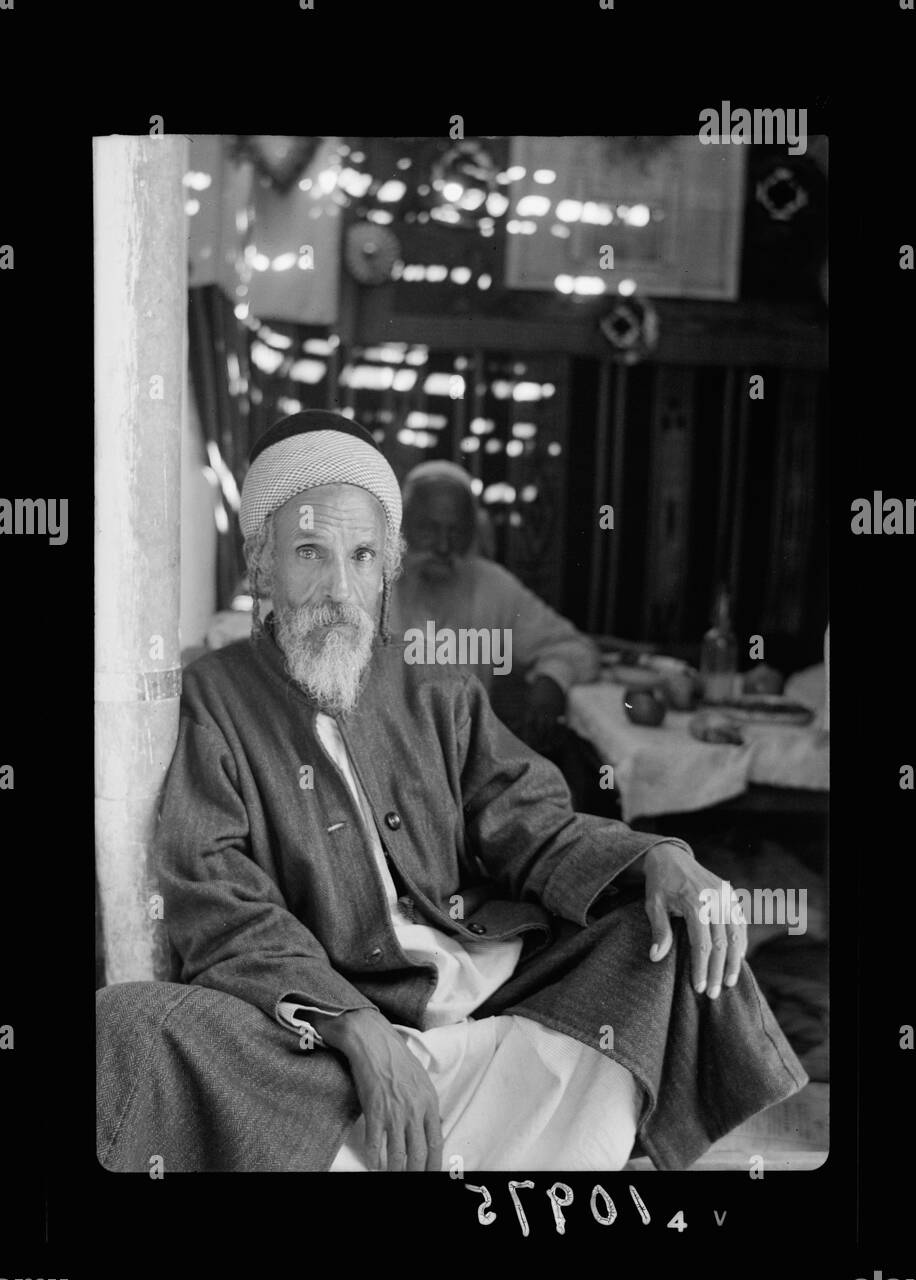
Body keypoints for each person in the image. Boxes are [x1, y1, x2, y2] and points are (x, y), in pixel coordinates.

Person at [96, 410, 807, 1174]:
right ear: (262, 567)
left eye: (363, 556)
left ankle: (404, 1145)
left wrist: (658, 859)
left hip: (488, 1004)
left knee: (658, 937)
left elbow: (532, 823)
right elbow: (215, 895)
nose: (341, 589)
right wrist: (353, 1026)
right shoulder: (216, 697)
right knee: (130, 1028)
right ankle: (458, 1134)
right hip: (325, 1043)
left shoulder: (439, 686)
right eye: (310, 552)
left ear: (386, 569)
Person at [391, 461, 600, 753]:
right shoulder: (369, 585)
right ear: (401, 527)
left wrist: (552, 683)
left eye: (456, 531)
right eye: (428, 529)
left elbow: (575, 649)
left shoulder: (494, 586)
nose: (443, 546)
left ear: (474, 533)